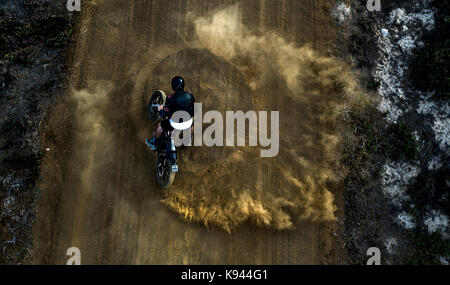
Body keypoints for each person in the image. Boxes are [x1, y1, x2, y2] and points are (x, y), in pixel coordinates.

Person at [146, 76, 195, 151]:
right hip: (188, 122)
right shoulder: (190, 95)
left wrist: (160, 109)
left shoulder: (170, 98)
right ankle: (188, 139)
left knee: (160, 126)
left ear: (173, 86)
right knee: (191, 124)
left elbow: (164, 114)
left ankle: (153, 142)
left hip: (175, 124)